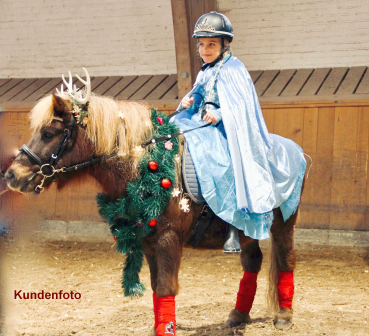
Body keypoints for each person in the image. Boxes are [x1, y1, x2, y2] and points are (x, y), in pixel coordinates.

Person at [171, 11, 306, 253]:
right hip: (204, 126)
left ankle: (233, 225)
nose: (204, 50)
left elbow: (241, 105)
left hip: (229, 129)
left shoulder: (234, 68)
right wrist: (189, 100)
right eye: (201, 45)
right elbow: (201, 92)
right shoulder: (205, 71)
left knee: (231, 163)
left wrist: (220, 114)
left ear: (224, 44)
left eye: (211, 44)